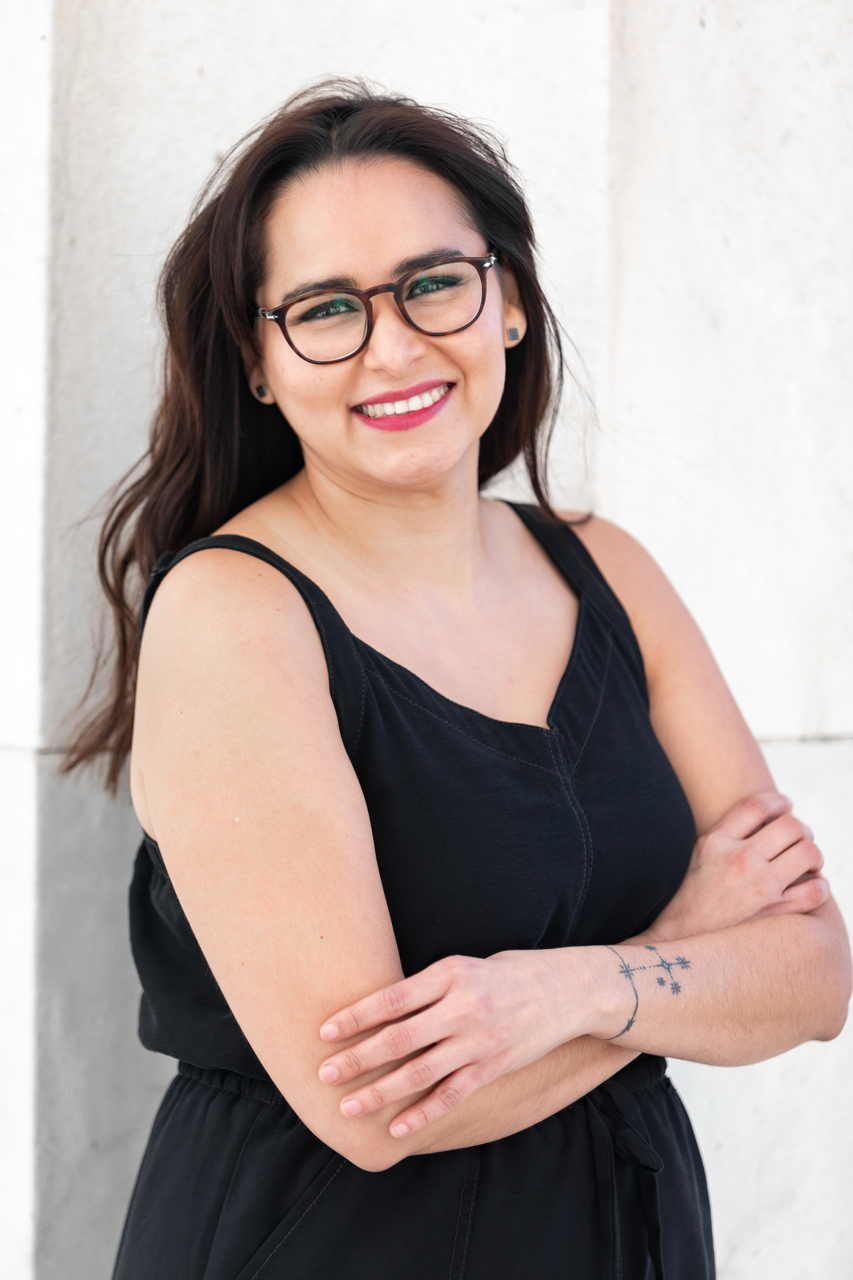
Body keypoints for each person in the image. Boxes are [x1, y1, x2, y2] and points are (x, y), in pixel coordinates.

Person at [65, 81, 850, 1280]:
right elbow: (374, 1107)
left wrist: (577, 987)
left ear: (511, 301)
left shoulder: (606, 568)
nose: (392, 345)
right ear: (260, 362)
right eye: (326, 308)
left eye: (432, 282)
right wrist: (683, 949)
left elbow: (812, 972)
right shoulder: (234, 614)